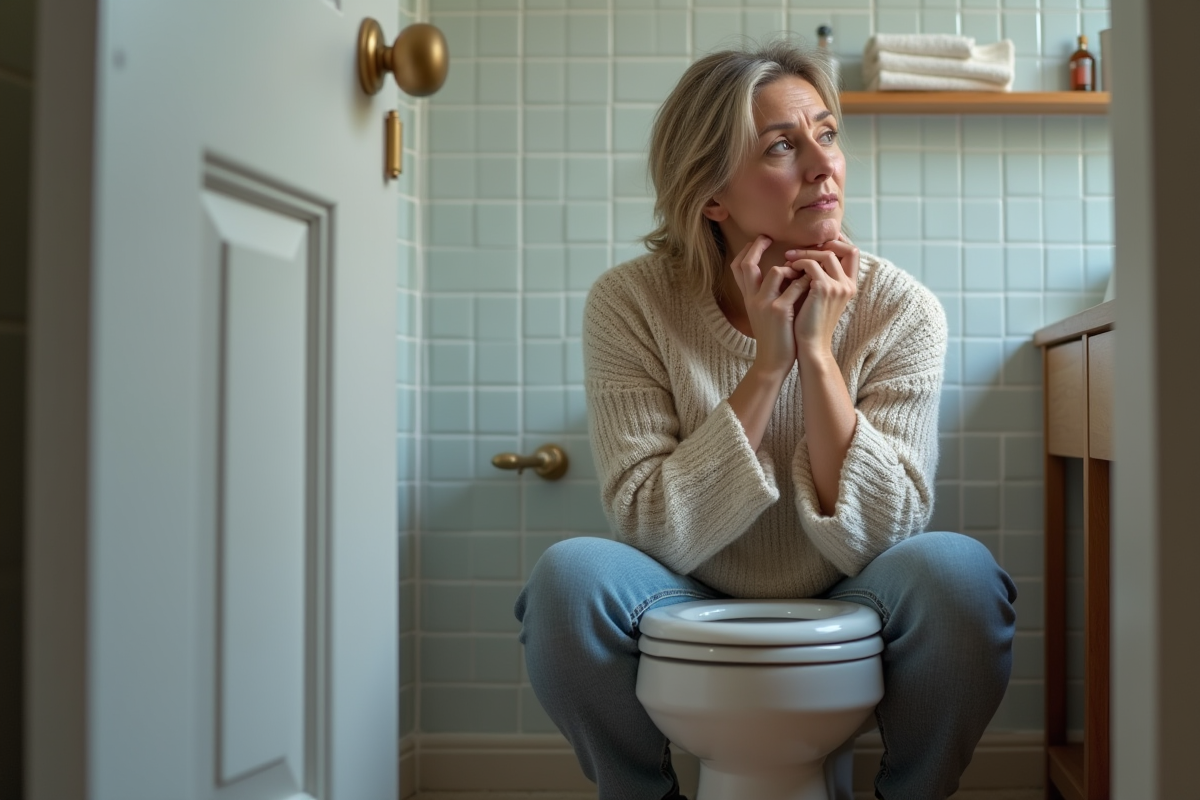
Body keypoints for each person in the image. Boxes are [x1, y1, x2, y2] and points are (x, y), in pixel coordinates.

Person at [514, 39, 1017, 800]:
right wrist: (767, 366)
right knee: (568, 581)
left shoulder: (900, 309)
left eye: (827, 134)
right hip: (688, 590)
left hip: (854, 590)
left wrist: (817, 359)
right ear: (712, 193)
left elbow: (887, 535)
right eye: (783, 146)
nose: (824, 166)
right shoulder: (632, 303)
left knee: (959, 576)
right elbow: (649, 526)